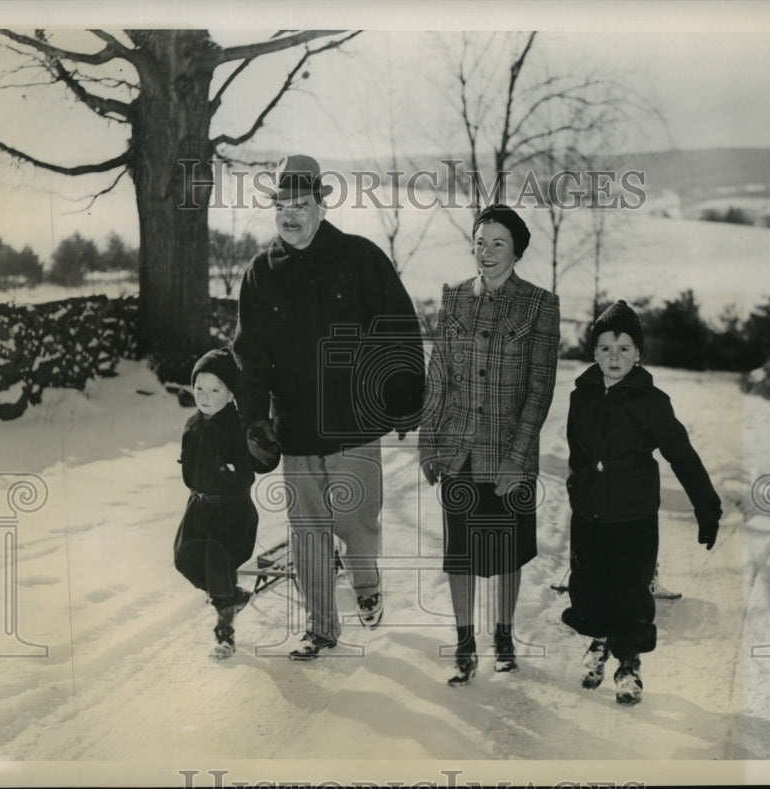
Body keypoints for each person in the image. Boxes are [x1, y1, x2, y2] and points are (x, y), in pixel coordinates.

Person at [233, 154, 424, 661]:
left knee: (358, 527)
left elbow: (398, 328)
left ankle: (366, 582)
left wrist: (405, 396)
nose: (290, 215)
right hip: (296, 429)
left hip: (355, 425)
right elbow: (249, 357)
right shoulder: (260, 273)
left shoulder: (359, 258)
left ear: (321, 205)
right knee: (307, 535)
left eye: (300, 204)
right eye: (282, 205)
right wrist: (255, 417)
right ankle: (321, 627)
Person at [418, 204, 560, 686]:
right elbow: (438, 377)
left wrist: (518, 460)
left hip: (508, 455)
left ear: (517, 251)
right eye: (480, 242)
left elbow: (540, 391)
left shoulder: (539, 304)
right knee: (459, 553)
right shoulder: (454, 298)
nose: (487, 252)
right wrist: (428, 443)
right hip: (458, 449)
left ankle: (502, 636)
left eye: (498, 243)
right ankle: (464, 643)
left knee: (505, 553)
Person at [560, 299, 722, 705]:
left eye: (624, 349)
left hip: (633, 516)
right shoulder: (581, 396)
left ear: (639, 354)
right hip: (589, 514)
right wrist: (578, 487)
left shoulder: (651, 402)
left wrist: (707, 507)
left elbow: (682, 455)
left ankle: (628, 664)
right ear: (593, 352)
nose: (614, 358)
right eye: (605, 349)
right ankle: (598, 644)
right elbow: (576, 451)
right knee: (590, 586)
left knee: (631, 592)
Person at [174, 347, 279, 660]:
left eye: (215, 390)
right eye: (199, 388)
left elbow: (258, 464)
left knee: (219, 568)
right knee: (185, 559)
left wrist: (237, 468)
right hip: (199, 507)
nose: (204, 396)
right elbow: (189, 467)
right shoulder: (192, 425)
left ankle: (225, 635)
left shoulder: (238, 426)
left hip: (230, 511)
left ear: (231, 393)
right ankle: (234, 597)